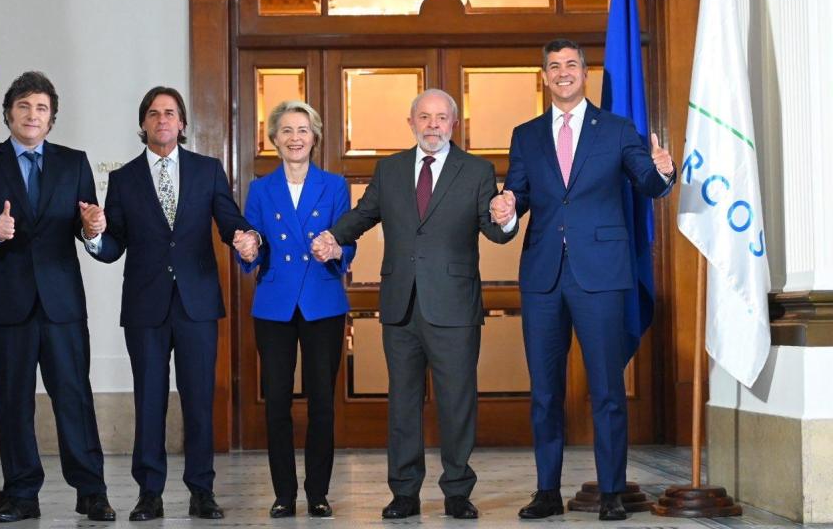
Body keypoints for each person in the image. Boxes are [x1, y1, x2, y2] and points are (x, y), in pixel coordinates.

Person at [492, 38, 674, 521]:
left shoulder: (616, 129)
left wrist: (663, 173)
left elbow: (646, 182)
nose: (563, 72)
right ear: (545, 76)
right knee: (545, 392)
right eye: (554, 66)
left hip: (603, 275)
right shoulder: (526, 134)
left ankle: (612, 492)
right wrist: (507, 211)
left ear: (584, 73)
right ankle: (547, 491)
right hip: (543, 277)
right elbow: (518, 195)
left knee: (608, 389)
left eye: (571, 64)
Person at [312, 88, 515, 520]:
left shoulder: (477, 170)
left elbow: (496, 232)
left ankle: (458, 491)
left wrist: (506, 216)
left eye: (441, 118)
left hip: (455, 306)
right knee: (403, 401)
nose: (433, 125)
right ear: (411, 122)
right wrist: (334, 237)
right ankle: (403, 491)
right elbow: (363, 214)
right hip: (400, 305)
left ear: (453, 125)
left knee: (457, 400)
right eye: (424, 117)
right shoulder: (389, 169)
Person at [81, 86, 258, 521]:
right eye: (154, 113)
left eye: (171, 113)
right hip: (146, 308)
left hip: (197, 303)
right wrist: (93, 233)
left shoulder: (207, 170)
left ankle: (202, 491)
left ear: (182, 124)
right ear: (143, 124)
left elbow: (228, 219)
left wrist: (245, 237)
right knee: (149, 400)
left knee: (199, 400)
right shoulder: (123, 179)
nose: (163, 120)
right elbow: (113, 245)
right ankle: (149, 493)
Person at [0, 71, 115, 523]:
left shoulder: (74, 163)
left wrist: (92, 229)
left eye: (41, 108)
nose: (32, 114)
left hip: (62, 304)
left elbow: (88, 224)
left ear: (52, 119)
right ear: (9, 113)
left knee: (74, 398)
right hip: (6, 306)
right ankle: (22, 495)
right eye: (24, 105)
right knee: (13, 401)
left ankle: (91, 492)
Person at [235, 101, 355, 519]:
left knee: (322, 401)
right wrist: (248, 247)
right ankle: (283, 493)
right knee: (278, 402)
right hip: (275, 304)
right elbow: (253, 242)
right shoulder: (260, 189)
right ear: (274, 139)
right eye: (286, 130)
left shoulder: (335, 185)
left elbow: (347, 237)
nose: (295, 138)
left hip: (322, 302)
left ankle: (318, 492)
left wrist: (338, 248)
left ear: (315, 137)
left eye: (303, 130)